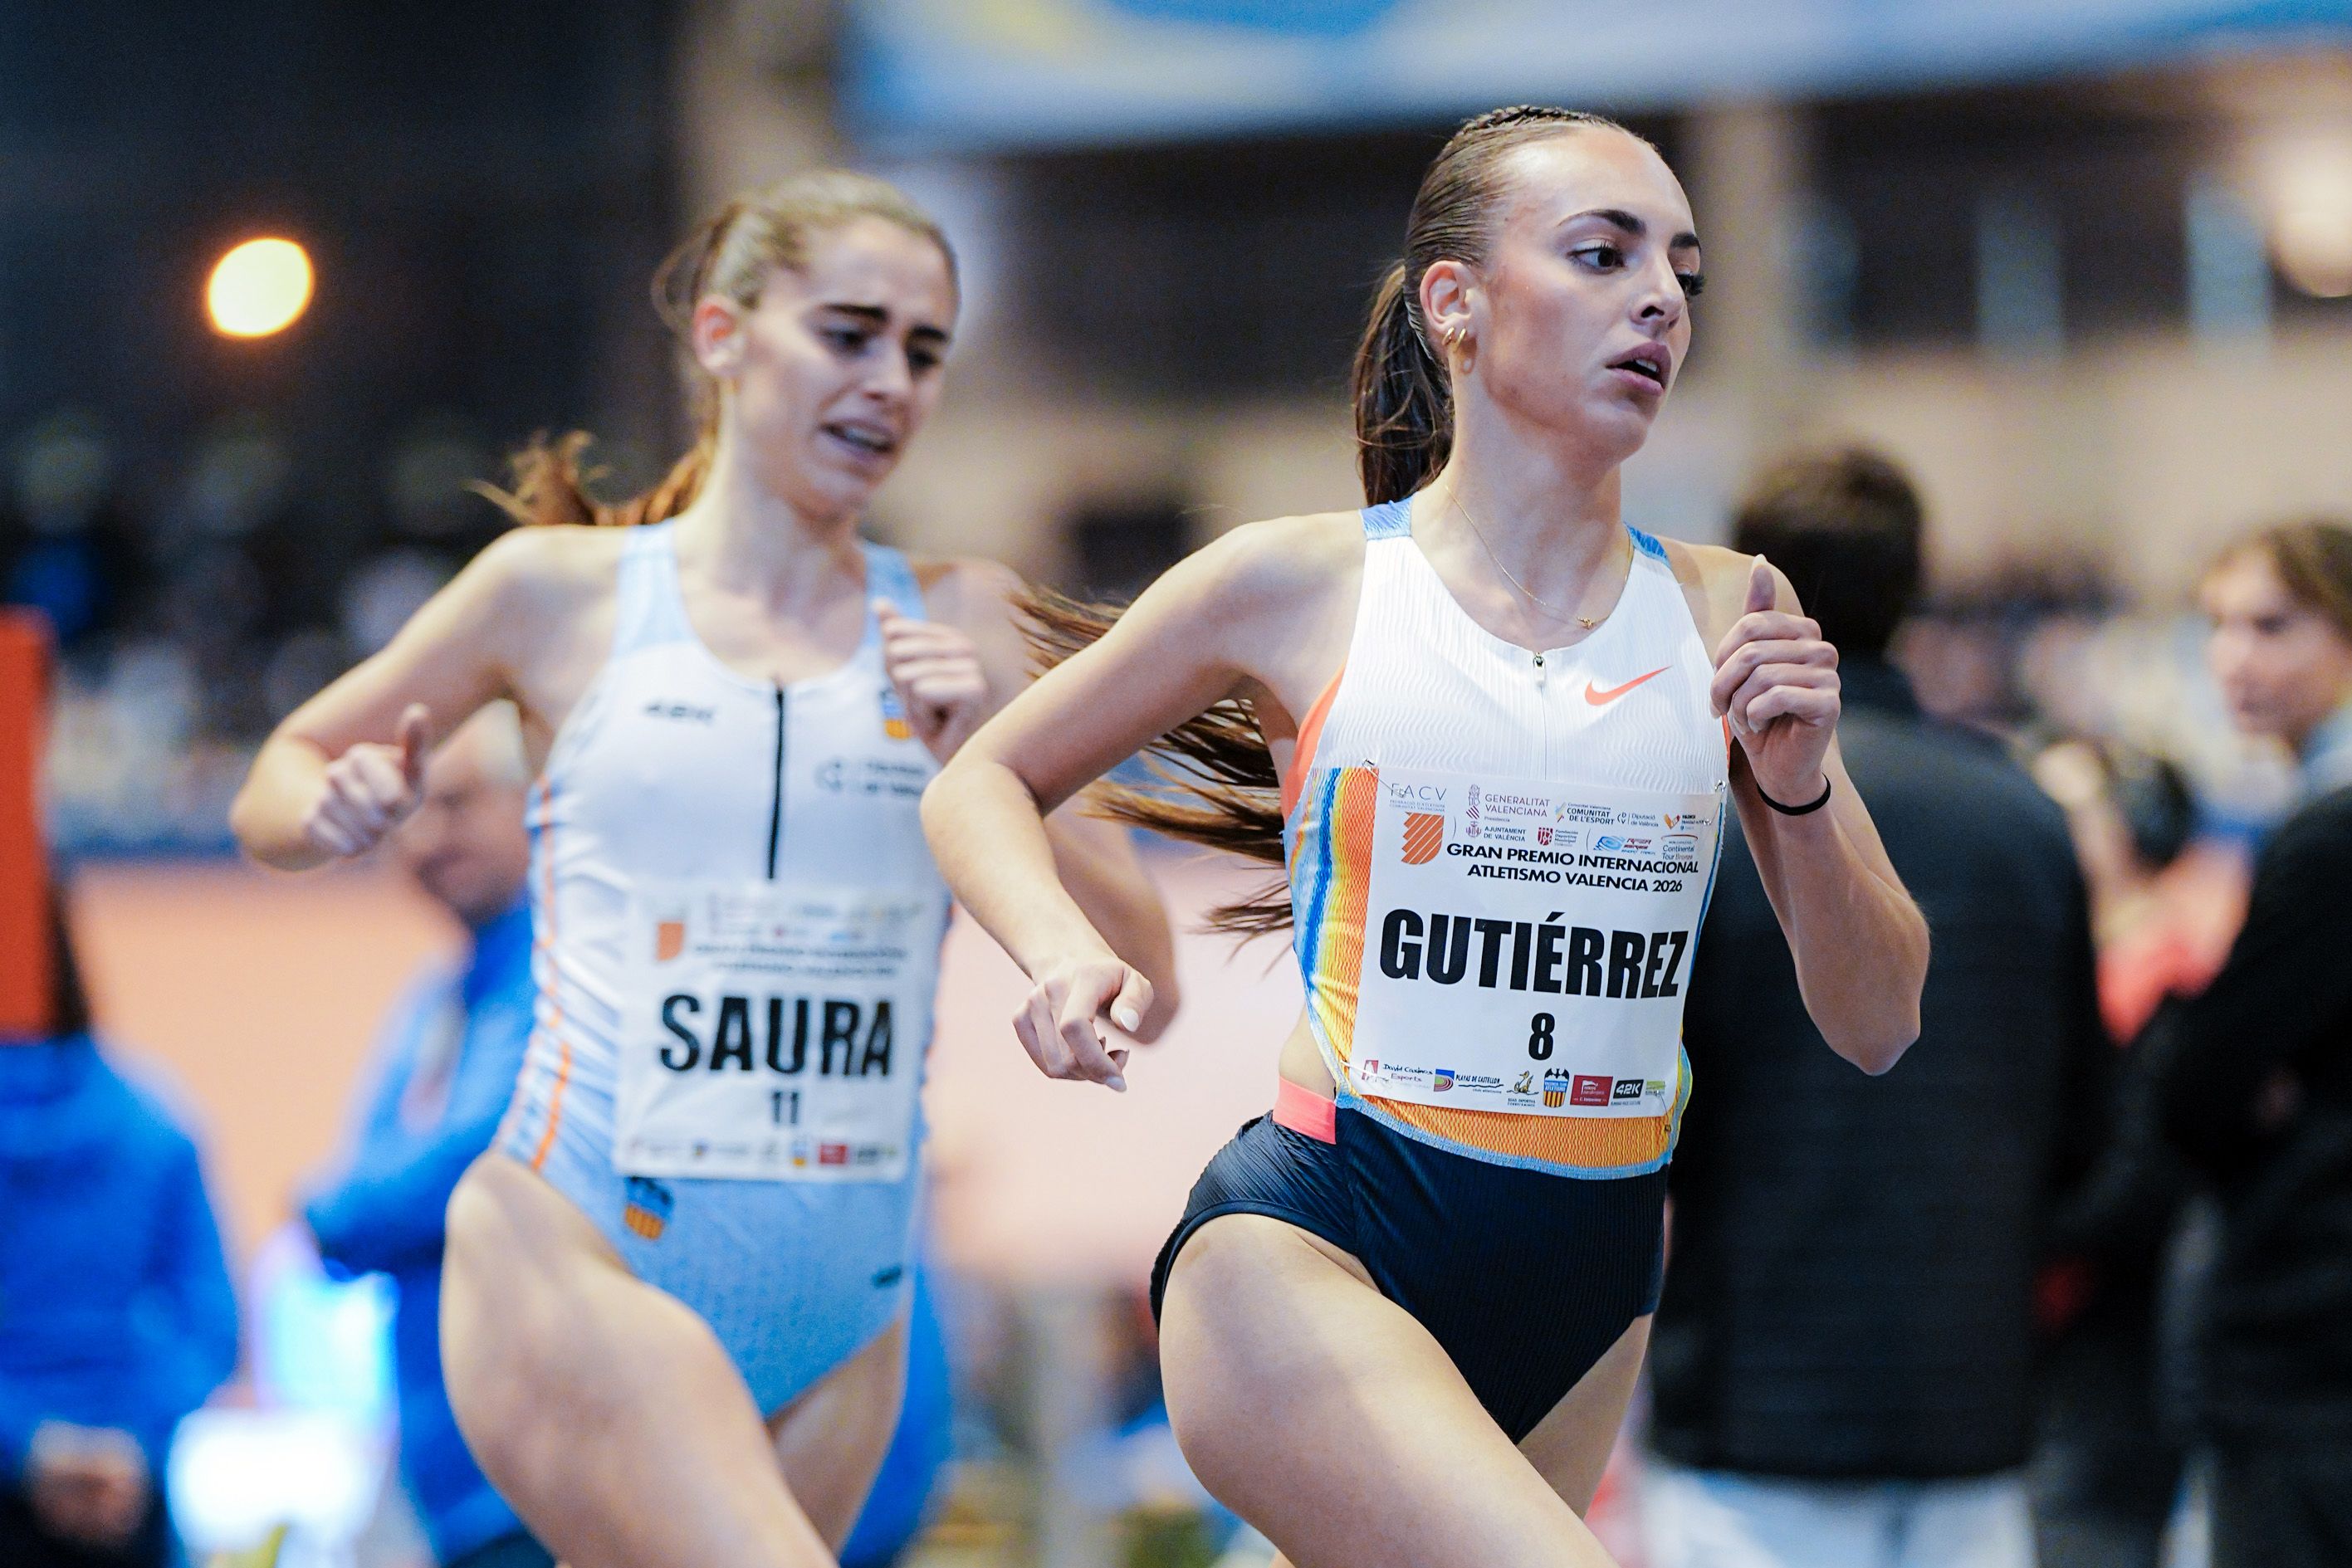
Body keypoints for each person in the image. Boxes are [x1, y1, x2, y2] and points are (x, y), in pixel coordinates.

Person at [919, 106, 1929, 1568]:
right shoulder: (1298, 583)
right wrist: (1060, 947)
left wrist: (1800, 787)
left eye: (1680, 269)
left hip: (1587, 1280)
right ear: (1454, 304)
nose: (1658, 296)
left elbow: (1881, 1018)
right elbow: (983, 781)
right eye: (1600, 252)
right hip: (1319, 1236)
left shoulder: (1726, 609)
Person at [228, 170, 1176, 1568]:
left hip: (843, 1286)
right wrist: (333, 806)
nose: (889, 382)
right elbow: (278, 774)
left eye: (922, 351)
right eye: (847, 333)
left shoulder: (963, 618)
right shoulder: (556, 592)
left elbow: (1143, 975)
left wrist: (987, 751)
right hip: (577, 1235)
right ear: (725, 336)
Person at [1631, 449, 2110, 1568]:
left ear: (1750, 591)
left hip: (1753, 1418)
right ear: (1913, 588)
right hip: (1970, 1407)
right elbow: (2086, 1122)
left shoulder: (1697, 819)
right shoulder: (2026, 820)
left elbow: (1643, 1115)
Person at [2144, 518, 2352, 1567]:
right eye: (2218, 624)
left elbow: (2194, 1086)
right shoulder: (2297, 812)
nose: (2233, 656)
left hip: (2309, 1340)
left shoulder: (2330, 831)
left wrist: (2212, 1052)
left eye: (2271, 624)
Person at [298, 706, 551, 1568]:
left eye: (458, 802)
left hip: (544, 1465)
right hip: (443, 1456)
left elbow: (480, 1156)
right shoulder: (437, 997)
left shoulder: (565, 966)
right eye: (410, 813)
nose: (429, 836)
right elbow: (369, 1171)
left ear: (534, 802)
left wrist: (329, 1212)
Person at [1, 891, 241, 1567]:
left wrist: (28, 1447)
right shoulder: (152, 1123)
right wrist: (130, 1439)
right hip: (125, 1498)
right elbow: (210, 1321)